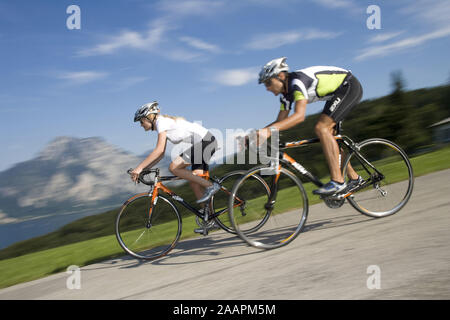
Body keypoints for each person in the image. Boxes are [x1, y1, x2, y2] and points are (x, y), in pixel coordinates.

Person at [256, 57, 364, 195]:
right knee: (328, 137)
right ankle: (354, 178)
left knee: (322, 128)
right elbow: (280, 121)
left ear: (281, 76)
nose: (267, 88)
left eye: (269, 83)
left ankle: (338, 182)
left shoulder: (297, 82)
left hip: (348, 86)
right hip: (336, 94)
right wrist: (258, 133)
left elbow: (299, 116)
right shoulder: (285, 95)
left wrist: (268, 131)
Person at [130, 101, 221, 232]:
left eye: (141, 121)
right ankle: (211, 220)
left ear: (147, 118)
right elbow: (160, 155)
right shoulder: (163, 124)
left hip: (205, 142)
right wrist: (144, 169)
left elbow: (159, 150)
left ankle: (211, 187)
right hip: (204, 142)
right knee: (194, 182)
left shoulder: (161, 122)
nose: (140, 125)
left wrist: (139, 168)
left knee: (174, 167)